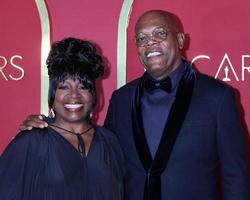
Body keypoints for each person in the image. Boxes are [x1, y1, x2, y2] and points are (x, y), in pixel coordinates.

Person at [18, 10, 249, 200]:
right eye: (141, 38)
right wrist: (47, 128)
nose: (150, 43)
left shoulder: (217, 98)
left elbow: (236, 177)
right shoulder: (122, 99)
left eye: (160, 33)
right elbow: (98, 152)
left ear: (180, 40)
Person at [0, 37, 124, 200]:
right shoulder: (31, 141)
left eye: (83, 87)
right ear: (53, 93)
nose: (74, 95)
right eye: (63, 87)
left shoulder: (110, 141)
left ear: (93, 93)